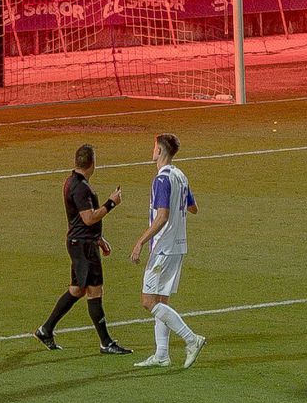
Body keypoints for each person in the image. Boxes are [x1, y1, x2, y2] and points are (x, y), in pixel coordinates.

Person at [34, 142, 131, 355]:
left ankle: (45, 329)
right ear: (92, 163)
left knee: (76, 290)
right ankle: (106, 342)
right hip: (83, 247)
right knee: (95, 291)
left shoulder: (72, 182)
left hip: (81, 242)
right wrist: (111, 203)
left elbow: (81, 220)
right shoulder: (80, 187)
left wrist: (99, 238)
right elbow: (88, 218)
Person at [128, 133, 201, 368]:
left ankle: (192, 339)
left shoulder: (162, 179)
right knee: (161, 299)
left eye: (153, 147)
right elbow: (193, 208)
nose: (152, 151)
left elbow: (162, 216)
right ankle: (162, 354)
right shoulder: (181, 175)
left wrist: (140, 242)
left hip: (163, 247)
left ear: (160, 150)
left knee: (148, 301)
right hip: (178, 245)